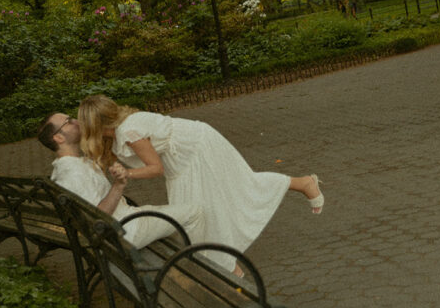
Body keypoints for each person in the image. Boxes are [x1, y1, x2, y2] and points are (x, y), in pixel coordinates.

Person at [77, 94, 323, 271]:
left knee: (237, 190)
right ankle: (228, 267)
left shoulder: (129, 132)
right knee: (197, 214)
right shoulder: (119, 133)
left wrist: (125, 176)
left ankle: (302, 183)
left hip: (197, 149)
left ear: (95, 125)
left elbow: (155, 169)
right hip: (181, 164)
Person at [36, 111, 211, 254]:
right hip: (125, 231)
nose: (75, 120)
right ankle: (200, 269)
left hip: (124, 223)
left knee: (175, 220)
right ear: (59, 138)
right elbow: (97, 216)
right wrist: (118, 185)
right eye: (68, 121)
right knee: (195, 213)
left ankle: (183, 260)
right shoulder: (71, 173)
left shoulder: (69, 165)